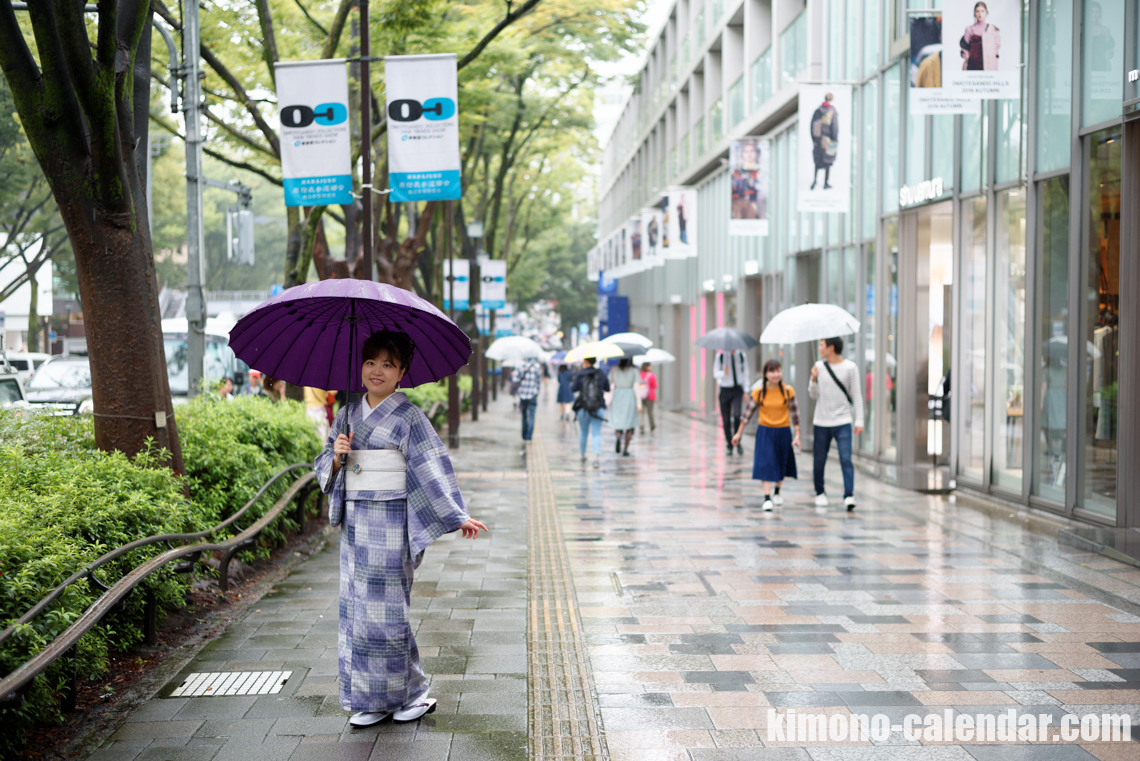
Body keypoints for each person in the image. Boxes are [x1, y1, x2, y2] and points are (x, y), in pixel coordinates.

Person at [315, 330, 488, 728]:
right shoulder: (347, 414)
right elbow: (324, 463)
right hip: (356, 527)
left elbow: (428, 467)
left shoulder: (409, 417)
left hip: (392, 525)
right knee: (357, 612)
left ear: (402, 372)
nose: (377, 371)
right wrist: (338, 457)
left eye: (388, 364)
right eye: (370, 362)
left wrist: (456, 514)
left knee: (389, 614)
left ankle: (411, 694)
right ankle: (371, 699)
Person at [732, 359, 801, 511]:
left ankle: (777, 491)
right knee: (766, 462)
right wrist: (738, 434)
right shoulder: (759, 392)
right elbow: (747, 414)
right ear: (765, 374)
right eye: (772, 371)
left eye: (778, 371)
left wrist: (797, 434)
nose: (776, 375)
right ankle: (767, 497)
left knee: (781, 462)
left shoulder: (788, 391)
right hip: (765, 431)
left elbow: (795, 414)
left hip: (783, 431)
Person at [809, 336, 864, 511]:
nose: (819, 348)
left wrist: (859, 420)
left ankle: (849, 495)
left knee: (846, 459)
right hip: (821, 421)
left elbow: (856, 395)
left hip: (843, 421)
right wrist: (813, 379)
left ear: (831, 348)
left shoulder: (850, 368)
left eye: (822, 345)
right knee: (819, 460)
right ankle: (820, 493)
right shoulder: (818, 367)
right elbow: (813, 395)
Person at [572, 356, 611, 468]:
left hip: (582, 408)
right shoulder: (601, 373)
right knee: (596, 433)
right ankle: (596, 457)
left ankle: (582, 455)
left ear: (585, 361)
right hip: (598, 407)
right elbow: (607, 388)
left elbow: (573, 389)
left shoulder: (580, 374)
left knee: (583, 432)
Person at [713, 349, 750, 455]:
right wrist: (723, 373)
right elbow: (715, 373)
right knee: (726, 420)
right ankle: (729, 444)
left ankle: (737, 441)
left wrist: (746, 390)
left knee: (737, 415)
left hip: (737, 390)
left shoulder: (742, 356)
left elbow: (746, 373)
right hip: (725, 389)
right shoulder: (720, 356)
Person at [608, 357, 639, 456]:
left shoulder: (614, 369)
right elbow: (637, 387)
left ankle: (618, 436)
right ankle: (625, 449)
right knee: (630, 424)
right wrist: (639, 404)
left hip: (617, 396)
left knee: (618, 421)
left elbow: (609, 382)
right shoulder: (634, 370)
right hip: (629, 396)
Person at [959, 2, 1001, 71]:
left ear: (986, 13)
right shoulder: (969, 29)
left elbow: (996, 48)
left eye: (982, 11)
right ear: (974, 13)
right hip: (973, 66)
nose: (980, 14)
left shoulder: (992, 29)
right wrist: (967, 58)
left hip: (989, 66)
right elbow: (964, 48)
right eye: (977, 11)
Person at [809, 93, 839, 190]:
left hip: (818, 139)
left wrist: (814, 139)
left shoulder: (818, 110)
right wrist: (835, 139)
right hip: (828, 139)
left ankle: (815, 180)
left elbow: (812, 125)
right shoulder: (832, 110)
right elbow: (834, 126)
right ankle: (825, 183)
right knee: (827, 161)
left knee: (818, 160)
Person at [512, 356, 542, 448]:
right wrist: (537, 391)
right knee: (532, 416)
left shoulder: (520, 366)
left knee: (524, 415)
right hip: (533, 394)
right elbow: (538, 381)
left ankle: (524, 435)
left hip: (522, 394)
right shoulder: (536, 366)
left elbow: (515, 380)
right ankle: (529, 437)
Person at [638, 362, 658, 434]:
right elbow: (655, 386)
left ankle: (641, 426)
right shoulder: (651, 375)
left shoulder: (639, 375)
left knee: (641, 412)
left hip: (640, 395)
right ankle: (652, 425)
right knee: (650, 412)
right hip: (650, 395)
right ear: (647, 367)